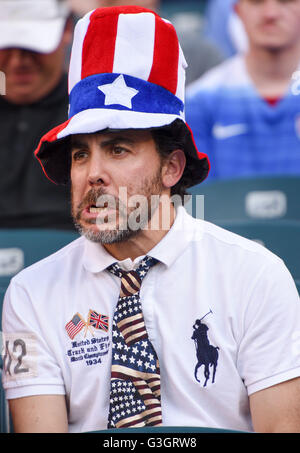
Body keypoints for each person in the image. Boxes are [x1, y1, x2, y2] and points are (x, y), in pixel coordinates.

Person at [2, 6, 300, 433]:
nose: (92, 173)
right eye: (80, 153)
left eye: (118, 148)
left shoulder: (257, 276)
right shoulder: (28, 295)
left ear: (172, 168)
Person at [185, 0, 300, 181]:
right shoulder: (200, 100)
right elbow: (200, 197)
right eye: (256, 2)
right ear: (238, 11)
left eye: (285, 1)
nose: (270, 13)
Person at [0, 0, 75, 229]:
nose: (18, 61)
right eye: (5, 47)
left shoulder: (92, 117)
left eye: (33, 47)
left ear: (67, 30)